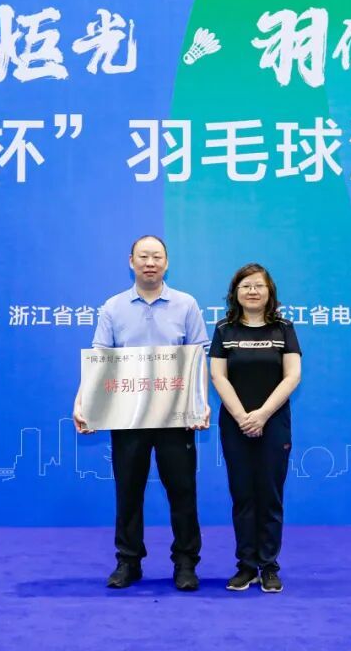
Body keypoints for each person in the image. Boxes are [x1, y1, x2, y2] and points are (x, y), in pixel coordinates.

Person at [73, 235, 210, 591]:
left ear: (167, 263)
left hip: (175, 416)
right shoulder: (113, 307)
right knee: (128, 491)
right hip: (128, 416)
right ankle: (128, 561)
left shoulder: (186, 305)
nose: (150, 263)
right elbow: (99, 359)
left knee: (182, 491)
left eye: (157, 257)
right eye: (144, 256)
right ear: (131, 261)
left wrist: (200, 402)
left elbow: (198, 358)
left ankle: (185, 563)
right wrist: (82, 402)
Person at [209, 263, 302, 593]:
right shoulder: (224, 330)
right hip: (235, 424)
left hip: (274, 422)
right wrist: (242, 416)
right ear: (235, 292)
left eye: (258, 285)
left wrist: (262, 415)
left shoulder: (283, 329)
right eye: (245, 285)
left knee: (270, 495)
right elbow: (218, 376)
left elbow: (292, 376)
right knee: (243, 495)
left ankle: (269, 565)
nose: (252, 291)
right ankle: (246, 565)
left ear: (269, 291)